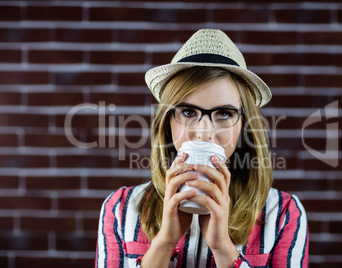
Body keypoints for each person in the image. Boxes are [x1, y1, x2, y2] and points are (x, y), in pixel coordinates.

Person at [95, 29, 309, 268]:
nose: (204, 132)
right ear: (168, 122)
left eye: (224, 113)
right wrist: (164, 244)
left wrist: (223, 248)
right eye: (188, 112)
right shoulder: (120, 209)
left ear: (244, 125)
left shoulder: (282, 215)